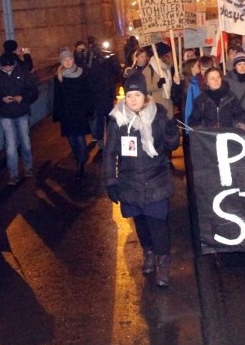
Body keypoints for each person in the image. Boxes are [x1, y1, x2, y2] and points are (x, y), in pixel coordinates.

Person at [104, 73, 180, 287]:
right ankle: (148, 252)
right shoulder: (117, 120)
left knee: (158, 224)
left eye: (138, 94)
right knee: (141, 224)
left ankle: (162, 262)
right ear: (124, 98)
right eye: (129, 95)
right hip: (130, 183)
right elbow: (110, 153)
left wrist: (172, 132)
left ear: (145, 96)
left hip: (156, 179)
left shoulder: (158, 114)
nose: (134, 99)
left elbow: (171, 145)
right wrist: (110, 181)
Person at [0, 52, 39, 186]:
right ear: (0, 65)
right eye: (5, 66)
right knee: (11, 145)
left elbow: (33, 91)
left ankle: (28, 167)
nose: (8, 68)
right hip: (5, 114)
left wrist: (23, 97)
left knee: (25, 142)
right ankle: (13, 174)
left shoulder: (23, 73)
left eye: (10, 66)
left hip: (21, 112)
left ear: (14, 64)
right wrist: (1, 99)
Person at [53, 48, 92, 178]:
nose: (68, 61)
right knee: (71, 138)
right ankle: (78, 156)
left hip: (79, 111)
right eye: (65, 59)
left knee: (80, 138)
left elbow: (88, 93)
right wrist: (57, 113)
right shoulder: (58, 76)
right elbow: (57, 96)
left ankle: (81, 162)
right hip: (66, 113)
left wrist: (89, 110)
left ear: (73, 60)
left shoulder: (82, 73)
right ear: (61, 62)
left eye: (69, 59)